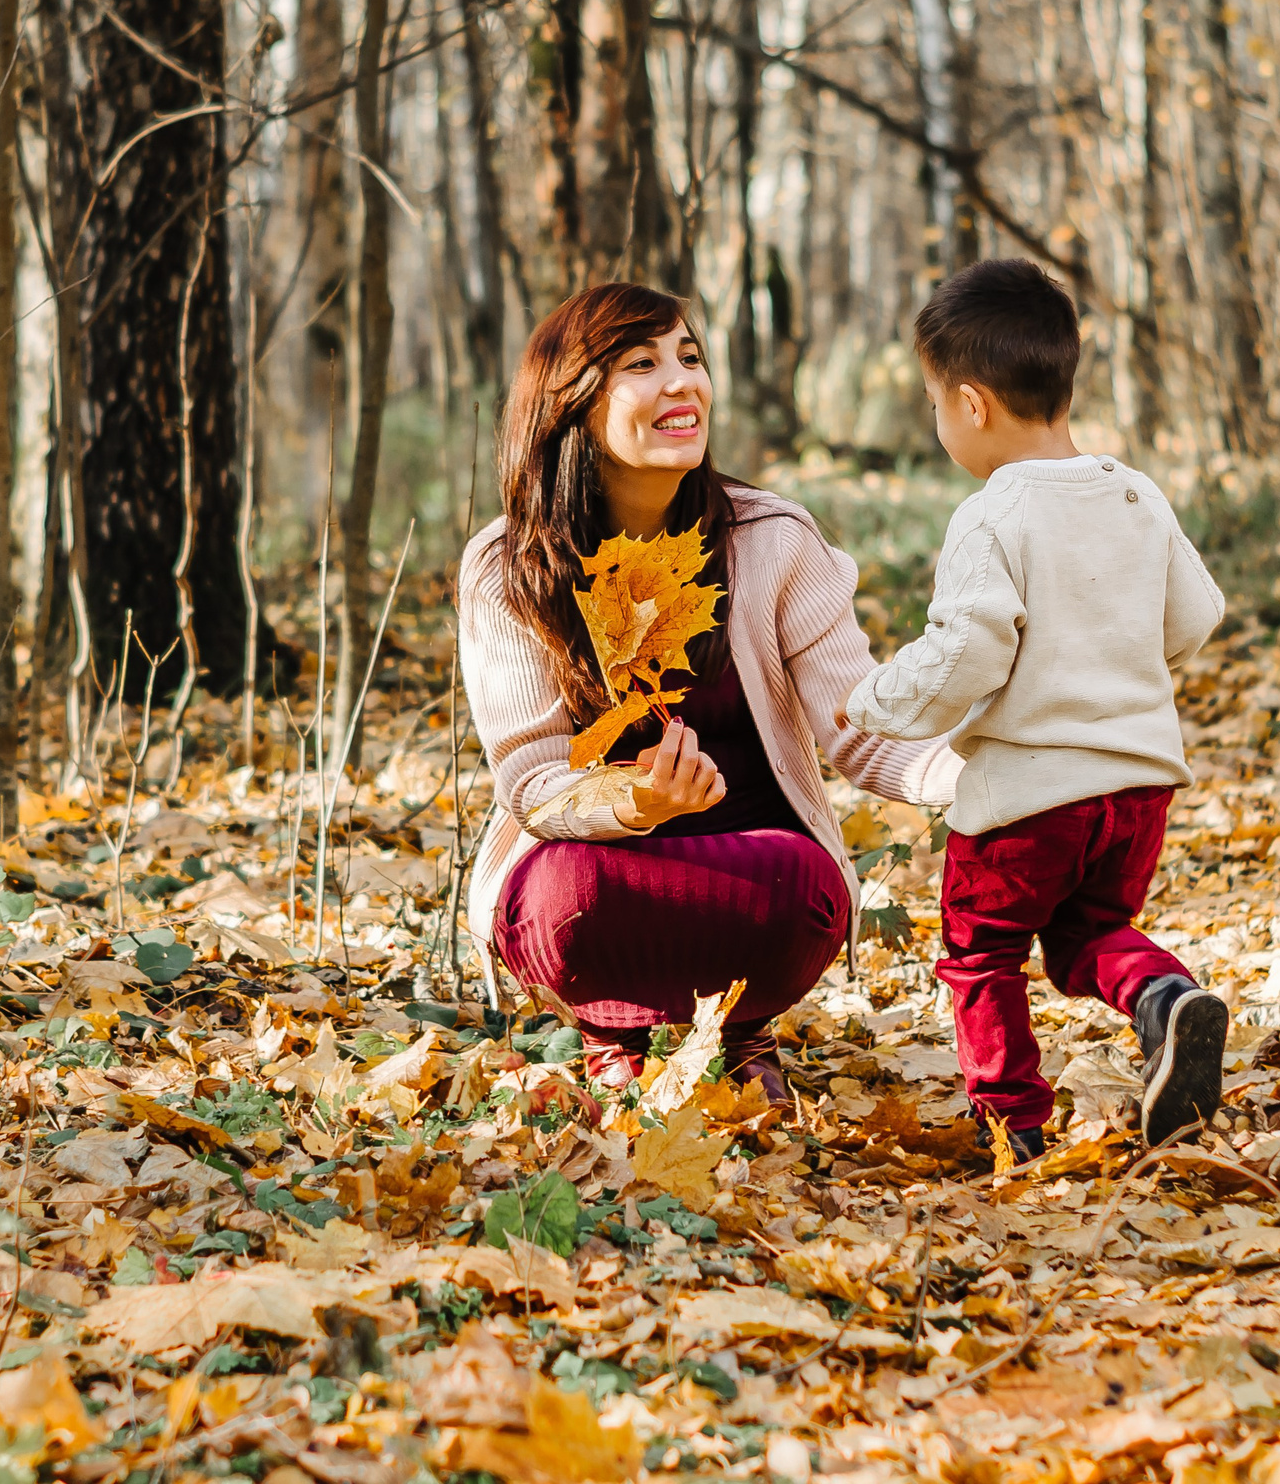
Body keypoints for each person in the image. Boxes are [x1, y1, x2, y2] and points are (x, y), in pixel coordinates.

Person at [457, 283, 961, 1099]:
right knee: (563, 895)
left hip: (750, 872)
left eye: (691, 358)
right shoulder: (510, 567)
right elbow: (531, 782)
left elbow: (860, 724)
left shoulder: (770, 538)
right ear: (574, 404)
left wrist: (973, 779)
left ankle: (739, 1024)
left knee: (806, 884)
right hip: (593, 876)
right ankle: (610, 1031)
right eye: (642, 364)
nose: (682, 382)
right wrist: (632, 806)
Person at [840, 259, 1228, 1156]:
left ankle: (1012, 1121)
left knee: (983, 956)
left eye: (935, 402)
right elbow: (1198, 615)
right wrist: (1117, 665)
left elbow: (969, 651)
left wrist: (875, 701)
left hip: (1024, 801)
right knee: (1090, 934)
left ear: (972, 404)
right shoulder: (1136, 492)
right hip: (1136, 793)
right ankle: (1166, 997)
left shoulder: (993, 512)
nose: (938, 421)